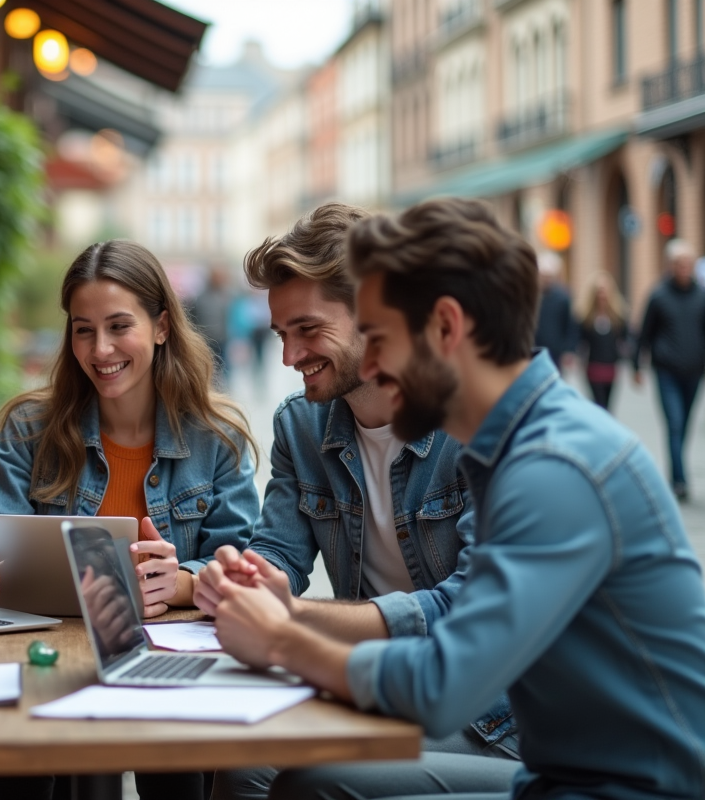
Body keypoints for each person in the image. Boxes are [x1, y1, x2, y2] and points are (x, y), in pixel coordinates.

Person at [212, 199, 705, 800]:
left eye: (380, 337)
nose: (367, 362)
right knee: (282, 770)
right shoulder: (511, 446)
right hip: (556, 777)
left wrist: (285, 636)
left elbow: (444, 684)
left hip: (622, 789)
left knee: (307, 783)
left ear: (444, 328)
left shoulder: (552, 465)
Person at [195, 203, 517, 800]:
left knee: (289, 775)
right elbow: (279, 555)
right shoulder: (301, 425)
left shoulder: (479, 425)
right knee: (237, 759)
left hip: (490, 712)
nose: (289, 358)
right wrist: (235, 578)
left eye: (309, 330)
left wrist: (289, 618)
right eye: (282, 336)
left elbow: (467, 607)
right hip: (379, 680)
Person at [0, 239, 260, 800]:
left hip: (168, 657)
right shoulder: (29, 429)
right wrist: (2, 565)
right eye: (82, 329)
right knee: (22, 757)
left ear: (161, 327)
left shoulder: (216, 439)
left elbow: (241, 558)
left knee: (175, 770)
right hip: (47, 652)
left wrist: (184, 581)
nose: (100, 349)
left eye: (119, 325)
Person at [633, 238, 705, 501]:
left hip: (694, 370)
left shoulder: (701, 295)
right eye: (678, 263)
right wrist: (636, 365)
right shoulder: (659, 295)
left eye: (687, 263)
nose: (683, 268)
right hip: (666, 371)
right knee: (674, 424)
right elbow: (644, 334)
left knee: (684, 425)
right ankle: (679, 481)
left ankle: (677, 468)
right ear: (670, 266)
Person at [577, 272, 630, 411]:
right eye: (599, 292)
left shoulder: (618, 317)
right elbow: (579, 339)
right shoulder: (586, 317)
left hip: (611, 365)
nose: (602, 295)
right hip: (593, 366)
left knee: (608, 404)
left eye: (604, 291)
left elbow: (627, 337)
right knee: (598, 403)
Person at [533, 251, 577, 374]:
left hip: (556, 351)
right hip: (535, 348)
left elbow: (570, 325)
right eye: (543, 276)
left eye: (548, 276)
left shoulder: (562, 297)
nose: (545, 279)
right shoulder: (532, 296)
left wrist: (569, 350)